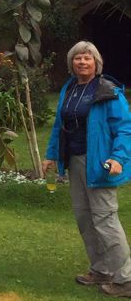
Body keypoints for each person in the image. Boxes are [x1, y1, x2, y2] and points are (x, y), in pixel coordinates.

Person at [46, 41, 131, 294]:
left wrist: (118, 158)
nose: (82, 62)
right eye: (77, 58)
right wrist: (51, 155)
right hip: (74, 161)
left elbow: (125, 129)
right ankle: (101, 269)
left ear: (96, 63)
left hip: (100, 164)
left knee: (105, 219)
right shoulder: (69, 88)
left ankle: (125, 279)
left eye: (87, 58)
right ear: (71, 63)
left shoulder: (108, 90)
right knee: (85, 219)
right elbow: (58, 125)